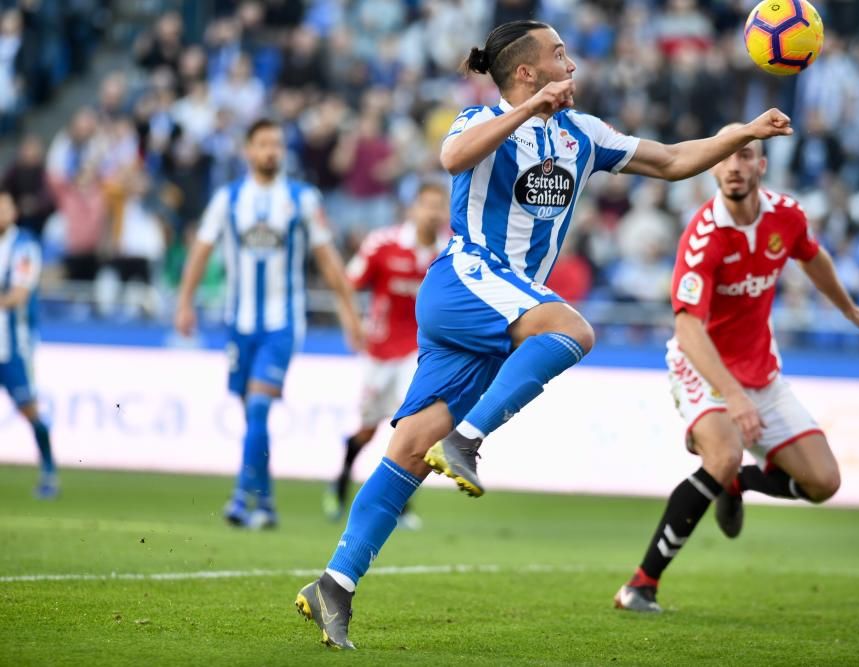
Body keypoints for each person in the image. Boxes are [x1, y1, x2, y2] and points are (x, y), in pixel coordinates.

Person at [294, 20, 795, 649]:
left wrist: (740, 135)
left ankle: (335, 584)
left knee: (411, 445)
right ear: (528, 72)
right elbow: (452, 159)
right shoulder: (477, 119)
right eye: (560, 54)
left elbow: (669, 162)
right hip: (467, 280)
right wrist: (527, 110)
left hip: (501, 310)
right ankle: (468, 440)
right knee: (574, 329)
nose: (573, 64)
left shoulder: (581, 134)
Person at [613, 126, 859, 613]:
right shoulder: (704, 238)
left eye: (746, 156)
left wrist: (849, 310)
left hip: (761, 370)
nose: (735, 166)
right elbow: (688, 329)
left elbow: (812, 255)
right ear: (713, 164)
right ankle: (640, 585)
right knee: (721, 455)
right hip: (702, 368)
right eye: (726, 157)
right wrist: (732, 397)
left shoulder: (786, 215)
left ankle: (737, 483)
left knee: (824, 483)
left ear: (762, 167)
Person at [175, 118, 363, 530]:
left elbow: (328, 261)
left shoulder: (301, 198)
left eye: (276, 143)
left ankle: (242, 497)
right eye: (262, 144)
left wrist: (348, 313)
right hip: (238, 324)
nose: (271, 151)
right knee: (252, 418)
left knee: (259, 406)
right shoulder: (229, 199)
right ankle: (268, 503)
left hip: (283, 323)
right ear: (248, 151)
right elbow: (201, 252)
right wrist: (185, 303)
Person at [323, 181, 449, 527]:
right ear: (413, 208)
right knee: (366, 430)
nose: (434, 212)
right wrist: (351, 324)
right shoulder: (383, 244)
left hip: (421, 353)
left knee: (413, 426)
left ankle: (400, 505)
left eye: (440, 206)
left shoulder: (452, 252)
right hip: (378, 353)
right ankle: (340, 481)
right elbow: (346, 286)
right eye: (428, 205)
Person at [0, 189, 56, 498]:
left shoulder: (24, 247)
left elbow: (19, 294)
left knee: (29, 408)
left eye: (4, 207)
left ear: (14, 212)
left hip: (13, 347)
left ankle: (48, 471)